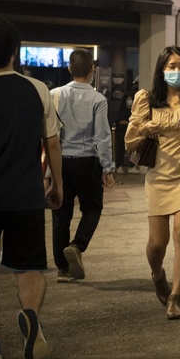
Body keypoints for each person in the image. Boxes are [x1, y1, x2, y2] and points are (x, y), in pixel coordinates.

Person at [0, 17, 63, 359]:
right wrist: (57, 184)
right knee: (29, 268)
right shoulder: (38, 89)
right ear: (16, 50)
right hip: (27, 196)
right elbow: (52, 142)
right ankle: (30, 315)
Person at [124, 46, 180, 319]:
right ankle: (157, 274)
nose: (176, 71)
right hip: (159, 174)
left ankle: (175, 295)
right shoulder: (147, 99)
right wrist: (144, 129)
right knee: (157, 243)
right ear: (161, 70)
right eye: (171, 66)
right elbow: (129, 142)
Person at [50, 48, 115, 282]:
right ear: (92, 70)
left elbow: (50, 135)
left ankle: (62, 269)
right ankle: (77, 245)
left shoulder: (54, 95)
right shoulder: (98, 99)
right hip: (87, 162)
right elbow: (102, 136)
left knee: (61, 215)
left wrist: (49, 171)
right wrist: (107, 168)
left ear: (69, 68)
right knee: (93, 209)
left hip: (61, 162)